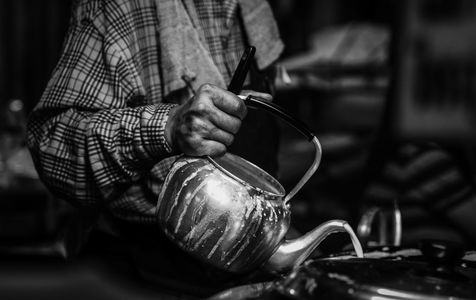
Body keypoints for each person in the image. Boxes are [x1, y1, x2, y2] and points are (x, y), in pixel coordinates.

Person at [26, 0, 285, 293]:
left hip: (241, 261)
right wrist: (168, 126)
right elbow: (53, 145)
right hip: (146, 269)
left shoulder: (251, 9)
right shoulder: (119, 7)